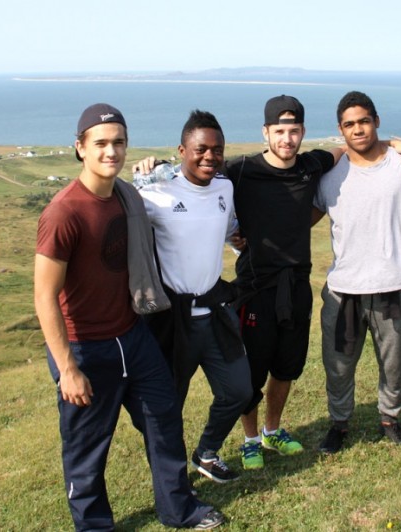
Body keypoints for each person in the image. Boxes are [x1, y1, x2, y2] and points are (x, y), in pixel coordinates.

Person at [34, 103, 224, 530]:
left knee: (164, 421)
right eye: (100, 143)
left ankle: (179, 509)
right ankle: (95, 526)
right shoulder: (64, 214)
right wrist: (67, 368)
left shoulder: (127, 196)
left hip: (133, 338)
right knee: (87, 448)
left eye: (118, 142)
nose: (111, 151)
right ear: (80, 147)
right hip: (85, 349)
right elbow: (44, 296)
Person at [224, 95, 401, 470]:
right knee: (251, 371)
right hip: (254, 286)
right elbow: (201, 170)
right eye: (279, 131)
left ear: (302, 132)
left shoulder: (312, 164)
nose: (287, 138)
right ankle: (249, 440)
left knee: (286, 368)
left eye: (293, 130)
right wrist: (157, 165)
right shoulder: (242, 170)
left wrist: (394, 142)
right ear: (265, 132)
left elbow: (351, 146)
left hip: (296, 286)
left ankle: (272, 430)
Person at [312, 91, 401, 455]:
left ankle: (389, 418)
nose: (357, 129)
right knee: (338, 367)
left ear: (376, 121)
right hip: (342, 292)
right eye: (349, 124)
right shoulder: (330, 174)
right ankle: (339, 424)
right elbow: (300, 221)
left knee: (393, 363)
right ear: (339, 129)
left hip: (393, 289)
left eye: (364, 121)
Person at [136, 110, 252, 484]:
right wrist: (140, 174)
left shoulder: (224, 188)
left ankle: (206, 452)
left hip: (214, 312)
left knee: (238, 390)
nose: (210, 157)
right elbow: (115, 207)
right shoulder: (154, 191)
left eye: (217, 150)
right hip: (173, 319)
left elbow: (228, 228)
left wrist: (238, 241)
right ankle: (171, 482)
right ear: (182, 150)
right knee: (167, 407)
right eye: (201, 149)